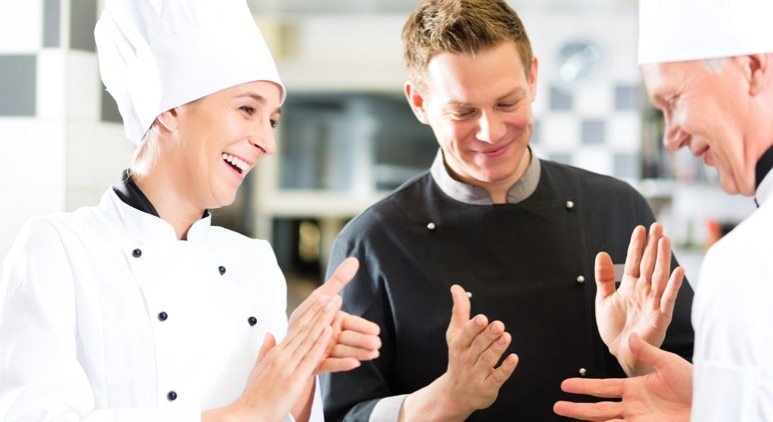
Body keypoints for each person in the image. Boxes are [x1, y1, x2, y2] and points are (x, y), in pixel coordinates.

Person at [0, 0, 381, 420]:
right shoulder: (59, 249)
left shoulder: (253, 262)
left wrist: (300, 373)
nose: (267, 142)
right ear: (170, 108)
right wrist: (238, 415)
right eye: (247, 109)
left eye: (270, 120)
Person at [320, 0, 696, 420]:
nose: (491, 131)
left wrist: (640, 360)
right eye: (463, 111)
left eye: (507, 103)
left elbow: (699, 390)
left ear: (532, 79)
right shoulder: (371, 242)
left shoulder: (616, 207)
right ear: (419, 104)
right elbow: (345, 412)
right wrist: (446, 398)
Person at [552, 0, 773, 420]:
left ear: (752, 69)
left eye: (673, 99)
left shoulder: (746, 262)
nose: (671, 137)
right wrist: (703, 402)